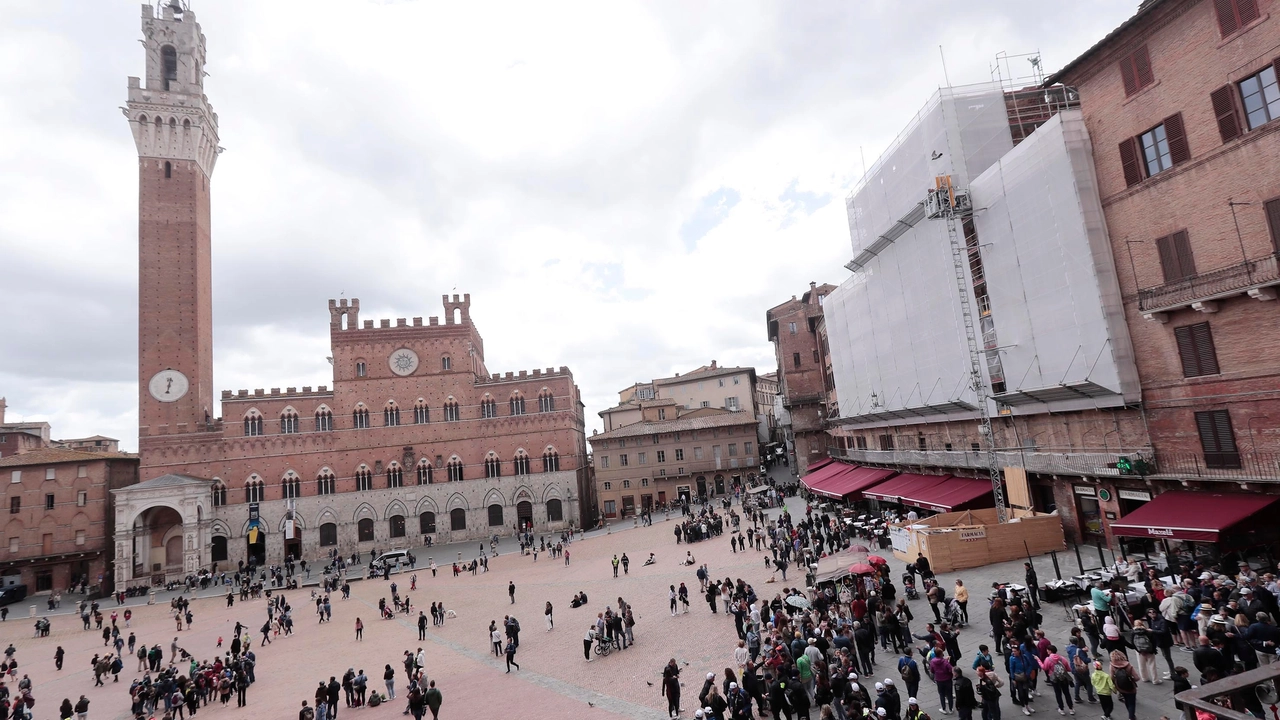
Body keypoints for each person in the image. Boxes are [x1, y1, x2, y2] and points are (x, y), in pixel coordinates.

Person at [1108, 651, 1137, 720]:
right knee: (1132, 703)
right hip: (1131, 687)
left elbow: (1111, 678)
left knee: (1126, 700)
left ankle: (1131, 714)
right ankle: (1131, 717)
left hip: (1120, 687)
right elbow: (1137, 678)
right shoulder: (1128, 665)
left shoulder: (1112, 666)